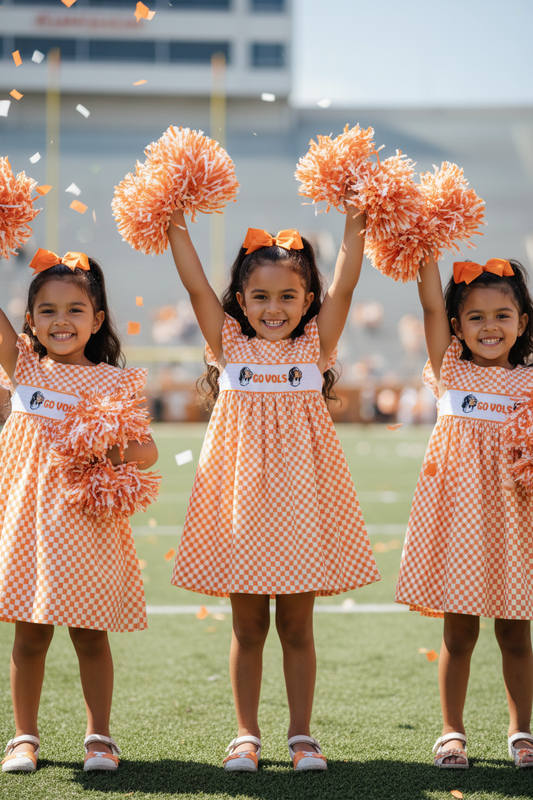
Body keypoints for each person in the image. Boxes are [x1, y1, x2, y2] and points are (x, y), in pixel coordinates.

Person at [167, 206, 380, 773]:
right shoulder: (226, 342)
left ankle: (302, 736)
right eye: (259, 297)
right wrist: (172, 220)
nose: (274, 308)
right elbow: (192, 282)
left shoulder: (316, 344)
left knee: (296, 625)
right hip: (239, 499)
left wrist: (356, 225)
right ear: (239, 298)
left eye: (288, 296)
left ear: (308, 299)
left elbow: (349, 279)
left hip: (303, 499)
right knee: (248, 625)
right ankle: (245, 735)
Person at [0, 250, 158, 773]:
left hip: (88, 525)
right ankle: (24, 736)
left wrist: (100, 446)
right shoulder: (22, 368)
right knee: (29, 634)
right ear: (29, 321)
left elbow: (147, 452)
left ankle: (99, 737)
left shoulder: (114, 383)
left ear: (97, 319)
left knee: (90, 634)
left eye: (74, 310)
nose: (61, 321)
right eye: (47, 310)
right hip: (29, 521)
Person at [395, 255, 533, 769]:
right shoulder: (448, 369)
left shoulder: (531, 382)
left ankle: (522, 732)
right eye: (475, 317)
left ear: (523, 323)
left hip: (516, 520)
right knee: (459, 631)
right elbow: (430, 300)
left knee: (516, 630)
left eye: (503, 315)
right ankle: (452, 731)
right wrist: (424, 244)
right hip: (459, 518)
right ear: (456, 327)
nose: (490, 326)